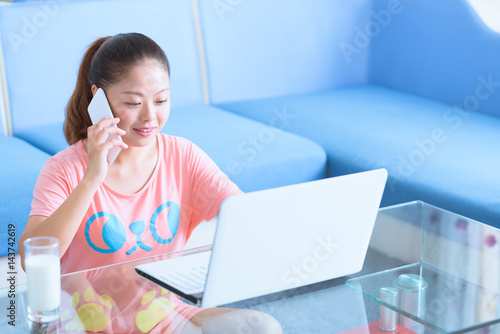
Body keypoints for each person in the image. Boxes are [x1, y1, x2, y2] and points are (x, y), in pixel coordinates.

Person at [19, 33, 282, 334]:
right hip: (84, 323)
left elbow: (245, 215)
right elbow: (31, 257)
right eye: (133, 102)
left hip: (163, 315)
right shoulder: (63, 169)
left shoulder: (183, 156)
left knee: (262, 327)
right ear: (99, 99)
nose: (149, 117)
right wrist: (93, 177)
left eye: (161, 100)